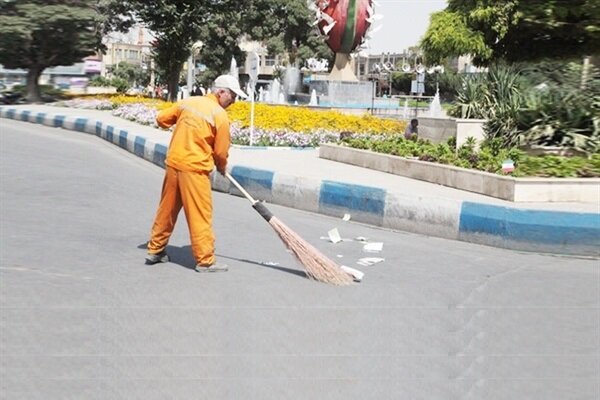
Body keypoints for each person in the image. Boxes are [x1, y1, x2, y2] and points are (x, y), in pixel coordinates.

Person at [145, 74, 247, 272]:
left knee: (166, 211)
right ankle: (205, 260)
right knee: (200, 215)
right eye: (232, 96)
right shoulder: (219, 115)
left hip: (174, 165)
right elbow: (220, 151)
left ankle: (155, 249)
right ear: (221, 92)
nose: (233, 101)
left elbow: (161, 119)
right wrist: (222, 165)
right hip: (195, 170)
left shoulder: (188, 102)